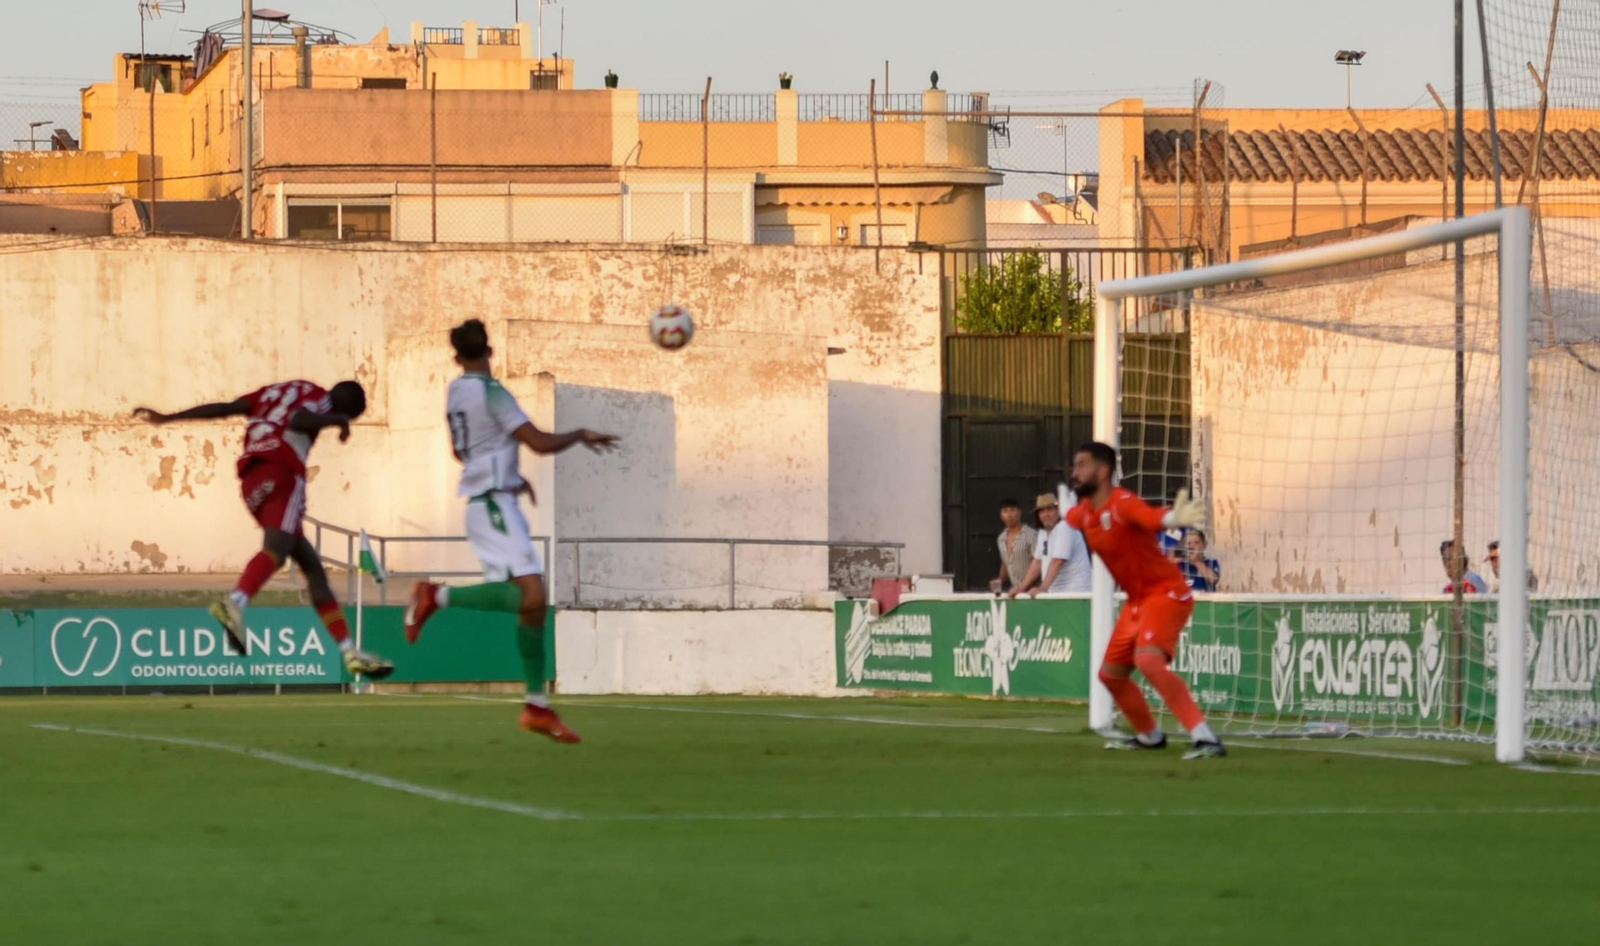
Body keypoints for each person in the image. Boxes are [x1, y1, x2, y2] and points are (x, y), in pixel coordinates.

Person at [403, 319, 618, 744]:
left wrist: (508, 475)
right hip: (493, 505)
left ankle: (537, 705)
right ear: (491, 351)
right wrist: (579, 434)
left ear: (456, 357)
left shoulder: (456, 392)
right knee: (533, 597)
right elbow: (537, 442)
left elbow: (464, 448)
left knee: (533, 606)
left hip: (492, 500)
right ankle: (435, 595)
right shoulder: (492, 394)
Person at [133, 380, 395, 679]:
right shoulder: (322, 400)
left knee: (312, 569)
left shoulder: (274, 393)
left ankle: (350, 652)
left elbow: (227, 408)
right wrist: (337, 420)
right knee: (277, 550)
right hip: (282, 472)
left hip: (252, 479)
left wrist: (169, 418)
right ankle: (235, 603)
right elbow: (299, 419)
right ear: (348, 409)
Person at [1064, 442, 1224, 759]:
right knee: (1110, 675)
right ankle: (1149, 735)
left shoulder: (1122, 502)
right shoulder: (1084, 513)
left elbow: (1149, 517)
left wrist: (1172, 518)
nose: (1075, 472)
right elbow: (1071, 517)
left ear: (1104, 470)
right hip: (1137, 601)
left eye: (1082, 465)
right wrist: (1062, 504)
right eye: (1074, 466)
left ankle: (1206, 738)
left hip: (1165, 592)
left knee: (1148, 661)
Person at [1009, 492, 1092, 597]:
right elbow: (1037, 562)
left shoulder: (1065, 526)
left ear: (1057, 511)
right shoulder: (1043, 533)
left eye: (1050, 509)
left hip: (1077, 594)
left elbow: (1058, 561)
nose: (1046, 514)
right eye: (1042, 511)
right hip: (1055, 595)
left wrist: (1043, 588)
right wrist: (1021, 588)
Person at [989, 498, 1038, 595]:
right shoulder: (1001, 538)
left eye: (1012, 510)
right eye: (1005, 511)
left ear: (1020, 512)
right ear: (1001, 516)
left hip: (1034, 591)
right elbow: (1006, 562)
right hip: (1015, 592)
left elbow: (1037, 562)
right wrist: (1000, 580)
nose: (1009, 515)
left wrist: (1023, 586)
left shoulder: (1031, 535)